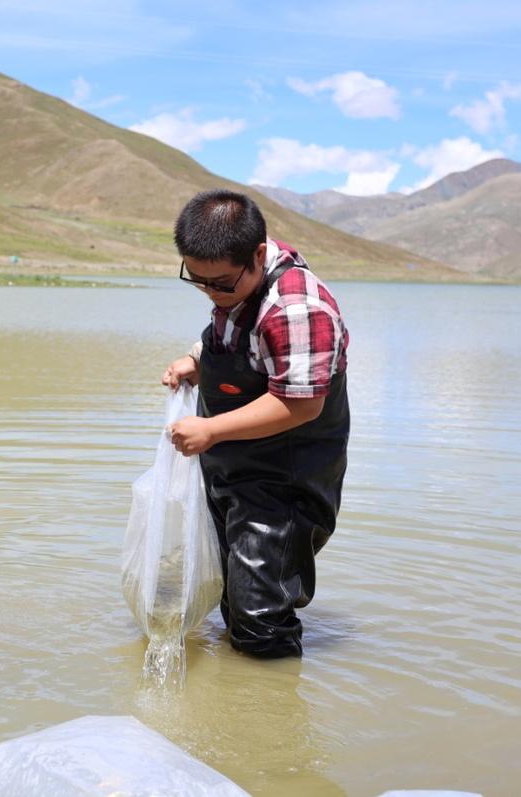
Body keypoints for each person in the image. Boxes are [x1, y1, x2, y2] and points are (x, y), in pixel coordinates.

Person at [161, 189, 349, 658]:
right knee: (231, 592)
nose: (210, 291)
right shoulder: (236, 281)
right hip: (234, 471)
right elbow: (236, 338)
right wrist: (196, 360)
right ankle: (234, 704)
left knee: (262, 618)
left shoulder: (298, 309)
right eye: (197, 280)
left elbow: (302, 405)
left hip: (285, 480)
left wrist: (211, 430)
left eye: (220, 283)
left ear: (257, 255)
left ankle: (271, 713)